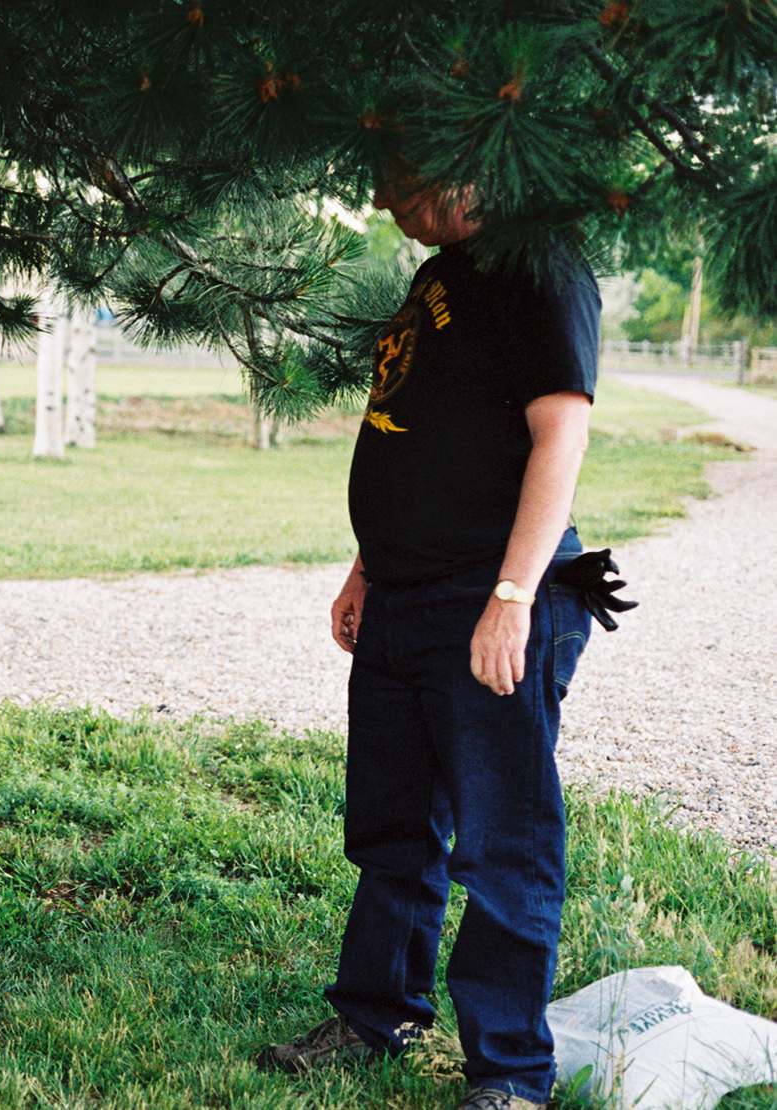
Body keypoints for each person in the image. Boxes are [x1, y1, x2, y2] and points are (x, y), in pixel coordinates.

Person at [257, 166, 601, 1110]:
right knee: (393, 827)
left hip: (484, 595)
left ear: (462, 159)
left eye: (400, 182)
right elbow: (412, 431)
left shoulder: (540, 263)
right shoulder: (440, 272)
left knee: (503, 844)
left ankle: (511, 1074)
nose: (383, 203)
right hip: (402, 593)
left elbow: (561, 438)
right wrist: (366, 568)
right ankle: (377, 1014)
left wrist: (512, 596)